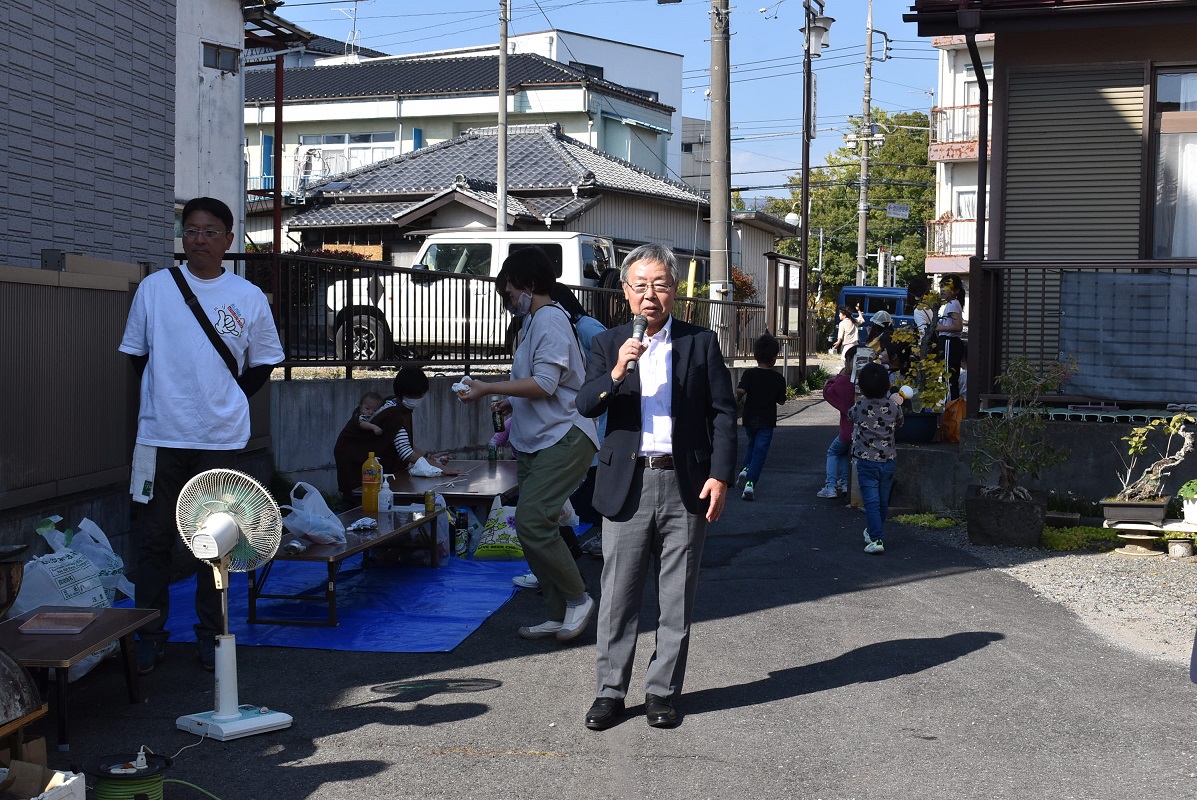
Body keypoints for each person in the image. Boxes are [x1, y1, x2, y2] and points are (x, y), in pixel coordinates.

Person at [119, 196, 285, 674]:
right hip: (159, 436)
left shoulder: (247, 297)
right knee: (152, 539)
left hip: (222, 438)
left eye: (211, 231)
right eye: (191, 230)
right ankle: (148, 635)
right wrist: (167, 395)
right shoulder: (155, 289)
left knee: (216, 541)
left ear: (229, 239)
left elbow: (265, 362)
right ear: (183, 236)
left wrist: (227, 397)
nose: (199, 239)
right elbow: (136, 354)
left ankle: (212, 637)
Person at [575, 243, 737, 731]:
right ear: (625, 293)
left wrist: (721, 474)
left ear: (675, 293)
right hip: (627, 483)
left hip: (686, 482)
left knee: (676, 599)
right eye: (640, 286)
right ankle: (609, 692)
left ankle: (662, 692)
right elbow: (586, 404)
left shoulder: (699, 343)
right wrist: (619, 370)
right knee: (618, 597)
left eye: (660, 285)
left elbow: (725, 414)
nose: (651, 295)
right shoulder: (607, 345)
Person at [458, 247, 599, 643]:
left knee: (534, 521)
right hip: (540, 438)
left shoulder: (551, 319)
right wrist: (510, 399)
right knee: (531, 526)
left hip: (564, 435)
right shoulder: (538, 321)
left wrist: (488, 387)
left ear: (529, 284)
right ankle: (557, 612)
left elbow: (547, 384)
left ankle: (578, 599)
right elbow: (539, 384)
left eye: (508, 292)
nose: (507, 300)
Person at [333, 367, 456, 501]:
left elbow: (402, 441)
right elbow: (406, 453)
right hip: (355, 466)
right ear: (402, 394)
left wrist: (429, 457)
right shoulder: (394, 414)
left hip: (363, 466)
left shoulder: (395, 405)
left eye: (419, 395)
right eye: (414, 396)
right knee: (358, 507)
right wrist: (442, 469)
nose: (418, 399)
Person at [849, 362, 905, 555]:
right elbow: (900, 422)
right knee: (882, 501)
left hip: (866, 461)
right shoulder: (894, 407)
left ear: (862, 387)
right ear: (887, 386)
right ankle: (875, 532)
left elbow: (850, 416)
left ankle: (876, 538)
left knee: (871, 501)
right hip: (888, 460)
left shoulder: (859, 406)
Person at [734, 331, 787, 501]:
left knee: (751, 443)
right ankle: (750, 484)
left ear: (756, 355)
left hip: (749, 417)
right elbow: (781, 401)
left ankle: (744, 469)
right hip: (767, 419)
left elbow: (740, 392)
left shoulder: (749, 374)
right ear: (775, 357)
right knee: (760, 452)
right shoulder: (778, 378)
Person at [818, 365, 855, 499]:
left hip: (846, 432)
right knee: (844, 453)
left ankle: (830, 486)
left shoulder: (845, 382)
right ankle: (845, 484)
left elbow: (828, 391)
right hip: (863, 433)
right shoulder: (865, 381)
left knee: (833, 452)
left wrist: (837, 377)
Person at [935, 275, 966, 400]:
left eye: (947, 287)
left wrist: (940, 328)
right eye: (942, 286)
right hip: (950, 342)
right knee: (949, 378)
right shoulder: (952, 304)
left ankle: (951, 409)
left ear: (956, 290)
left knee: (949, 379)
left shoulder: (953, 304)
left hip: (949, 342)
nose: (943, 289)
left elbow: (958, 326)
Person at [829, 304, 862, 369]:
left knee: (845, 359)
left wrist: (837, 344)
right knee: (854, 360)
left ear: (844, 315)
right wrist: (858, 310)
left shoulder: (842, 323)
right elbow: (861, 319)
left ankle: (848, 372)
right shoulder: (854, 321)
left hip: (847, 345)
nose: (839, 315)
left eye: (840, 314)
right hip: (856, 344)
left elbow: (840, 336)